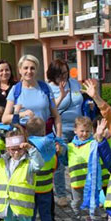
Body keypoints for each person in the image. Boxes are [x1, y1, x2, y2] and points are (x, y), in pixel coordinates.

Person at [47, 59, 83, 206]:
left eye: (65, 72)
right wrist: (61, 95)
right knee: (60, 163)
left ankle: (83, 192)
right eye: (60, 73)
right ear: (53, 74)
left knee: (81, 159)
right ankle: (61, 194)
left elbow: (79, 99)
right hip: (60, 129)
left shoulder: (74, 83)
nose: (64, 76)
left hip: (78, 127)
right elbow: (50, 109)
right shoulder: (48, 88)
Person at [67, 116, 108, 221]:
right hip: (76, 182)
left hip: (91, 181)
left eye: (87, 131)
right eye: (82, 131)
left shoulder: (93, 144)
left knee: (93, 202)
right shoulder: (70, 146)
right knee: (76, 203)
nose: (84, 134)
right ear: (75, 130)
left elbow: (101, 143)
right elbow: (65, 161)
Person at [1, 55, 63, 133]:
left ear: (36, 70)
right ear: (20, 70)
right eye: (25, 68)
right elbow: (5, 119)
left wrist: (58, 138)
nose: (29, 71)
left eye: (32, 68)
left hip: (44, 136)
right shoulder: (15, 90)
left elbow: (56, 116)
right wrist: (22, 114)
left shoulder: (45, 88)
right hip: (23, 137)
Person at [26, 117, 56, 221]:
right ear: (44, 130)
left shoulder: (28, 148)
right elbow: (55, 165)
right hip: (46, 187)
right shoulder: (49, 146)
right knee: (46, 215)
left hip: (31, 188)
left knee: (30, 216)